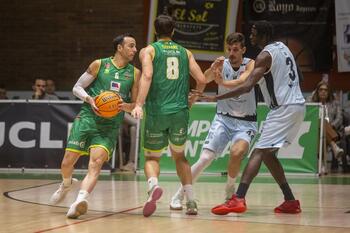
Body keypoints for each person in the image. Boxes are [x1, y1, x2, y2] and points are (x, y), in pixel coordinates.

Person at [198, 21, 305, 214]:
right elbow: (300, 76)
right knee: (269, 155)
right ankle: (290, 200)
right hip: (298, 105)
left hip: (283, 108)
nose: (252, 36)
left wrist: (215, 96)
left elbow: (247, 86)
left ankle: (238, 198)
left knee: (258, 152)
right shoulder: (284, 48)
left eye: (254, 33)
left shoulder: (265, 55)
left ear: (263, 34)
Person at [49, 33, 140, 219]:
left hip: (109, 126)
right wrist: (90, 99)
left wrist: (126, 106)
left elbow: (136, 104)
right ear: (119, 48)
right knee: (67, 162)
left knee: (96, 163)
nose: (135, 50)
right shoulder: (99, 64)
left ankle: (80, 200)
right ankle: (66, 184)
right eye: (131, 46)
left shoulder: (135, 73)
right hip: (87, 118)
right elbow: (77, 87)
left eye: (135, 46)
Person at [169, 32, 258, 211]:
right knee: (205, 158)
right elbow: (204, 79)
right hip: (223, 119)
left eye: (235, 50)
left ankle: (229, 191)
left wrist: (222, 82)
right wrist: (212, 69)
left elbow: (243, 81)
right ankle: (179, 195)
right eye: (229, 49)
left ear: (243, 50)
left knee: (236, 152)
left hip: (246, 123)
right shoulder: (222, 64)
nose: (231, 53)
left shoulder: (251, 64)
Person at [131, 14, 207, 217]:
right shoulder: (185, 52)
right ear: (173, 31)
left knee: (151, 156)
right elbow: (201, 79)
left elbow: (147, 75)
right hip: (180, 112)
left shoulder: (148, 50)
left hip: (157, 112)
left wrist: (138, 103)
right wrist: (193, 99)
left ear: (155, 31)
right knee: (180, 156)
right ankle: (190, 201)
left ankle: (154, 186)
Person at [308, 80, 344, 173]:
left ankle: (321, 164)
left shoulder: (335, 103)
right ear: (317, 91)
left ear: (329, 92)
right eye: (320, 90)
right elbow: (307, 115)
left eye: (326, 90)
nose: (323, 91)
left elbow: (339, 118)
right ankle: (334, 146)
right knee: (320, 126)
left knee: (322, 127)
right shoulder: (313, 104)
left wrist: (330, 126)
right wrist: (312, 96)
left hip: (334, 131)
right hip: (316, 131)